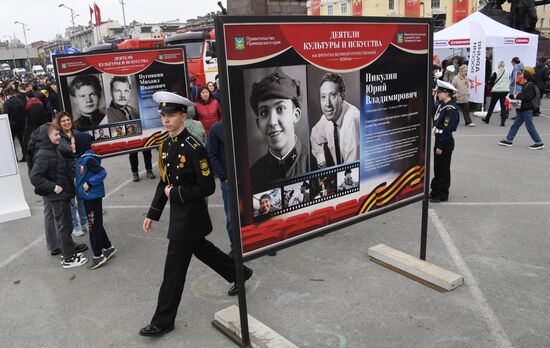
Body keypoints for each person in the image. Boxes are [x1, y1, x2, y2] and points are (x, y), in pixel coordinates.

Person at [139, 91, 253, 338]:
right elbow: (164, 183)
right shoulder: (166, 144)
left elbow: (206, 187)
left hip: (189, 218)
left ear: (184, 116)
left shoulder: (194, 148)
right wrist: (153, 213)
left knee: (173, 271)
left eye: (171, 115)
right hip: (181, 216)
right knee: (203, 250)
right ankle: (240, 273)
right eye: (163, 115)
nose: (166, 120)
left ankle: (163, 320)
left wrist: (176, 193)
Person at [29, 122, 89, 268]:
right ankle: (68, 258)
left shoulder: (53, 150)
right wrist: (54, 187)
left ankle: (68, 252)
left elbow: (61, 168)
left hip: (63, 194)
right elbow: (35, 177)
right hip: (57, 196)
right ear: (46, 137)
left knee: (66, 226)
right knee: (64, 226)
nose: (59, 137)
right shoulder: (44, 154)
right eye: (56, 135)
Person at [249, 69, 315, 191]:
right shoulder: (252, 175)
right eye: (264, 112)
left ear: (296, 115)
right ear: (258, 124)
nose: (272, 122)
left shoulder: (316, 161)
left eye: (280, 109)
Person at [75, 132, 117, 269]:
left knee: (93, 226)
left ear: (80, 144)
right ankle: (108, 247)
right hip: (88, 197)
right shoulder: (81, 158)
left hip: (92, 197)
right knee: (96, 223)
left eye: (74, 142)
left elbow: (102, 172)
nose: (72, 145)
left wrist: (89, 183)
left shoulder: (88, 160)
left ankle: (98, 256)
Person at [310, 72, 360, 167]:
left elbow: (352, 170)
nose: (327, 104)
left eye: (332, 95)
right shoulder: (327, 118)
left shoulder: (352, 120)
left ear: (342, 97)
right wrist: (322, 163)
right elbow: (314, 135)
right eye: (323, 97)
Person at [54, 111, 88, 237]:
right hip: (66, 172)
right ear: (59, 123)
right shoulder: (59, 137)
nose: (66, 122)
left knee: (81, 198)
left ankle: (84, 222)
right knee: (71, 201)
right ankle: (74, 225)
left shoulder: (77, 134)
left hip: (79, 170)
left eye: (68, 120)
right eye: (63, 121)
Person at [498, 66, 544, 150]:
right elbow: (525, 96)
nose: (520, 76)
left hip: (527, 109)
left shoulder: (529, 85)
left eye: (522, 74)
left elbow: (527, 97)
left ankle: (539, 142)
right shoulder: (526, 84)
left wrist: (517, 95)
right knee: (515, 125)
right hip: (523, 108)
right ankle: (509, 140)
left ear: (526, 76)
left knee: (529, 126)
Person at [430, 80, 460, 203]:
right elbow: (432, 110)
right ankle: (435, 190)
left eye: (440, 92)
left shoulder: (451, 109)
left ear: (447, 93)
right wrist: (432, 96)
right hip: (439, 139)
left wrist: (440, 146)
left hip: (445, 141)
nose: (438, 94)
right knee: (437, 167)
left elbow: (448, 130)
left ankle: (442, 193)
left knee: (443, 168)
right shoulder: (442, 106)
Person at [207, 119, 233, 253]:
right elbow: (212, 154)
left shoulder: (244, 124)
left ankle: (263, 242)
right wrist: (224, 176)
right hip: (229, 181)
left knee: (256, 211)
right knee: (232, 217)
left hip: (249, 177)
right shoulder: (216, 129)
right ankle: (235, 247)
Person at [3, 86, 27, 161]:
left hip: (11, 125)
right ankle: (25, 156)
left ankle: (14, 158)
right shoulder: (20, 101)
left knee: (11, 142)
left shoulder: (7, 103)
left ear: (7, 94)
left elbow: (5, 114)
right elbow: (24, 112)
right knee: (22, 140)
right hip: (21, 123)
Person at [483, 61, 510, 126]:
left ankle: (487, 119)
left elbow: (492, 82)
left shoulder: (496, 72)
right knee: (503, 106)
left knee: (492, 106)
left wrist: (491, 85)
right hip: (504, 91)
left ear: (498, 66)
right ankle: (503, 122)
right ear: (504, 66)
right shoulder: (508, 73)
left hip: (496, 91)